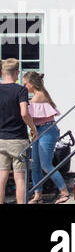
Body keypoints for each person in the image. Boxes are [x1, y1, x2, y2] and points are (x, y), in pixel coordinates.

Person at [22, 71, 69, 203]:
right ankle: (38, 195)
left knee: (45, 164)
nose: (24, 86)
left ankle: (64, 192)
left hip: (47, 130)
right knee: (35, 165)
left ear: (31, 84)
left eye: (25, 84)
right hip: (39, 130)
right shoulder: (38, 95)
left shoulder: (38, 96)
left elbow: (26, 114)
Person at [0, 58, 33, 205]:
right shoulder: (21, 90)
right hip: (18, 139)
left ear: (2, 72)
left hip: (1, 139)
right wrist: (33, 128)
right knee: (20, 178)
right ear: (17, 72)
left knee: (1, 177)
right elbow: (24, 113)